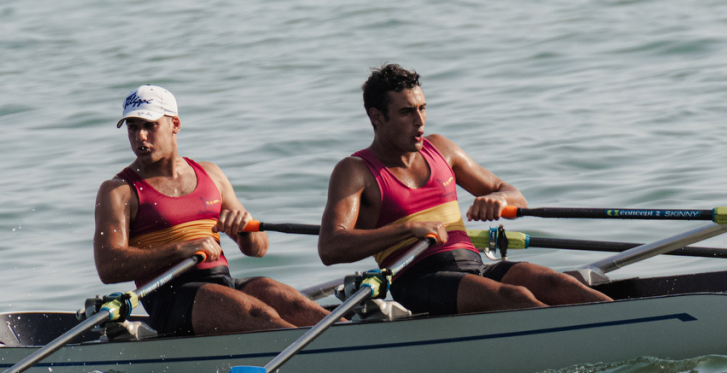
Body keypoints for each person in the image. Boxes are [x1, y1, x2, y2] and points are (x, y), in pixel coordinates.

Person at [318, 64, 612, 315]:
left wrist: (498, 199)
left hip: (473, 265)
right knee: (515, 297)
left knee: (558, 283)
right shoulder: (355, 171)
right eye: (406, 112)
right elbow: (330, 247)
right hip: (417, 278)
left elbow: (513, 194)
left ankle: (622, 323)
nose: (419, 121)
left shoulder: (441, 149)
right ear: (377, 117)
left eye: (422, 108)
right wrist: (407, 229)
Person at [94, 84, 332, 336]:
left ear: (175, 125)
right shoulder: (118, 190)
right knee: (258, 314)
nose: (140, 136)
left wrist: (246, 231)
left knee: (291, 302)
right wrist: (181, 249)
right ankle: (318, 349)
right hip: (170, 299)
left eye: (150, 126)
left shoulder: (211, 174)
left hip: (221, 284)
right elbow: (108, 268)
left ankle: (346, 335)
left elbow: (259, 249)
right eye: (132, 127)